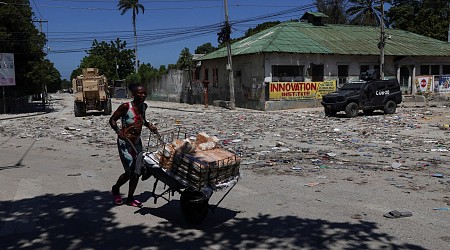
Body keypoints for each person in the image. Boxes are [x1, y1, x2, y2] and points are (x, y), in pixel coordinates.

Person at [109, 83, 157, 207]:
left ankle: (130, 198)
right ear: (133, 94)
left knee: (137, 171)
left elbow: (142, 120)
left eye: (144, 93)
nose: (143, 95)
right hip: (125, 143)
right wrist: (119, 132)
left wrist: (149, 126)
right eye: (140, 93)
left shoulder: (143, 107)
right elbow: (112, 120)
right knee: (129, 171)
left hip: (137, 143)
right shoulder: (125, 107)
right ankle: (116, 188)